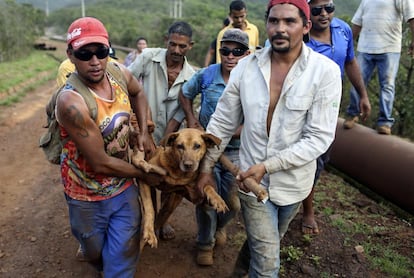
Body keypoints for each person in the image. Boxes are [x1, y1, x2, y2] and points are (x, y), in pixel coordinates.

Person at [196, 0, 342, 276]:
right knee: (267, 266)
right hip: (252, 183)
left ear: (306, 26)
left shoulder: (325, 72)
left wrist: (269, 166)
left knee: (261, 245)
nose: (280, 28)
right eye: (274, 21)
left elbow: (319, 137)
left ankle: (239, 272)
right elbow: (222, 123)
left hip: (294, 184)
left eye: (290, 22)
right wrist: (205, 169)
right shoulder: (246, 68)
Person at [56, 17, 164, 277]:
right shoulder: (72, 102)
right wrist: (143, 173)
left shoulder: (117, 72)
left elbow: (138, 92)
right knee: (95, 254)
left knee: (121, 261)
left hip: (122, 188)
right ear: (70, 54)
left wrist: (142, 134)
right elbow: (100, 163)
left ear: (108, 50)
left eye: (101, 52)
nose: (95, 61)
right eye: (85, 54)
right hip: (85, 194)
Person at [179, 29, 250, 266]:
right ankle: (205, 244)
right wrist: (191, 119)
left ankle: (220, 227)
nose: (230, 56)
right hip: (205, 150)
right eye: (225, 51)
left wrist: (229, 133)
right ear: (219, 52)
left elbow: (258, 120)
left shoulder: (253, 81)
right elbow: (185, 93)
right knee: (205, 196)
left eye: (237, 52)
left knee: (233, 203)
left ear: (247, 54)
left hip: (236, 150)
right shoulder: (207, 75)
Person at [302, 0, 372, 235]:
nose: (324, 14)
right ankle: (307, 211)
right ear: (307, 11)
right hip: (304, 105)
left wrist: (362, 94)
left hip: (331, 106)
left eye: (329, 8)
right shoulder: (301, 37)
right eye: (317, 10)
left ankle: (300, 198)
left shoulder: (342, 30)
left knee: (323, 156)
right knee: (311, 156)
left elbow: (350, 61)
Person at [128, 21, 195, 239]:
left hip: (171, 138)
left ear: (190, 46)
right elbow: (126, 81)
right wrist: (140, 126)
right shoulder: (148, 57)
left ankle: (162, 221)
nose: (176, 50)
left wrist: (168, 137)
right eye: (173, 44)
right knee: (144, 176)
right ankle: (148, 217)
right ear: (166, 41)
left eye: (182, 46)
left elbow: (182, 110)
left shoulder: (191, 75)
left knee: (171, 178)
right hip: (143, 132)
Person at [343, 0, 414, 135]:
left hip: (389, 48)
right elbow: (357, 23)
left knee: (387, 85)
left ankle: (385, 122)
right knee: (357, 81)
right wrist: (347, 44)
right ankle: (352, 114)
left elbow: (411, 16)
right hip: (365, 47)